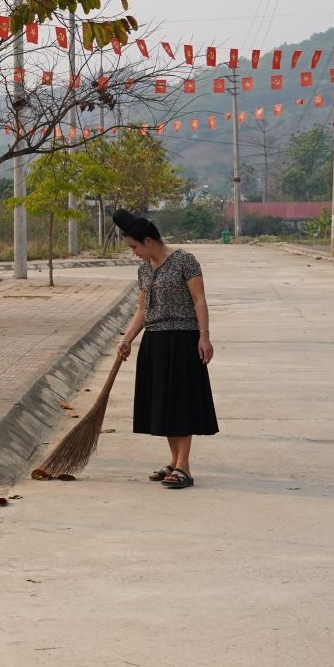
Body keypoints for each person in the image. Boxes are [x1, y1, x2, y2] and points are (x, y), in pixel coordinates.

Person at [113, 209, 217, 489]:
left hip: (182, 340)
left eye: (134, 247)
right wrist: (127, 339)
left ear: (148, 241)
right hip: (155, 342)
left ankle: (184, 467)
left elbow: (199, 300)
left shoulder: (184, 260)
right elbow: (142, 310)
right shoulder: (144, 269)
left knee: (181, 403)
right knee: (164, 405)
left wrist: (204, 336)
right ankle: (173, 461)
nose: (134, 253)